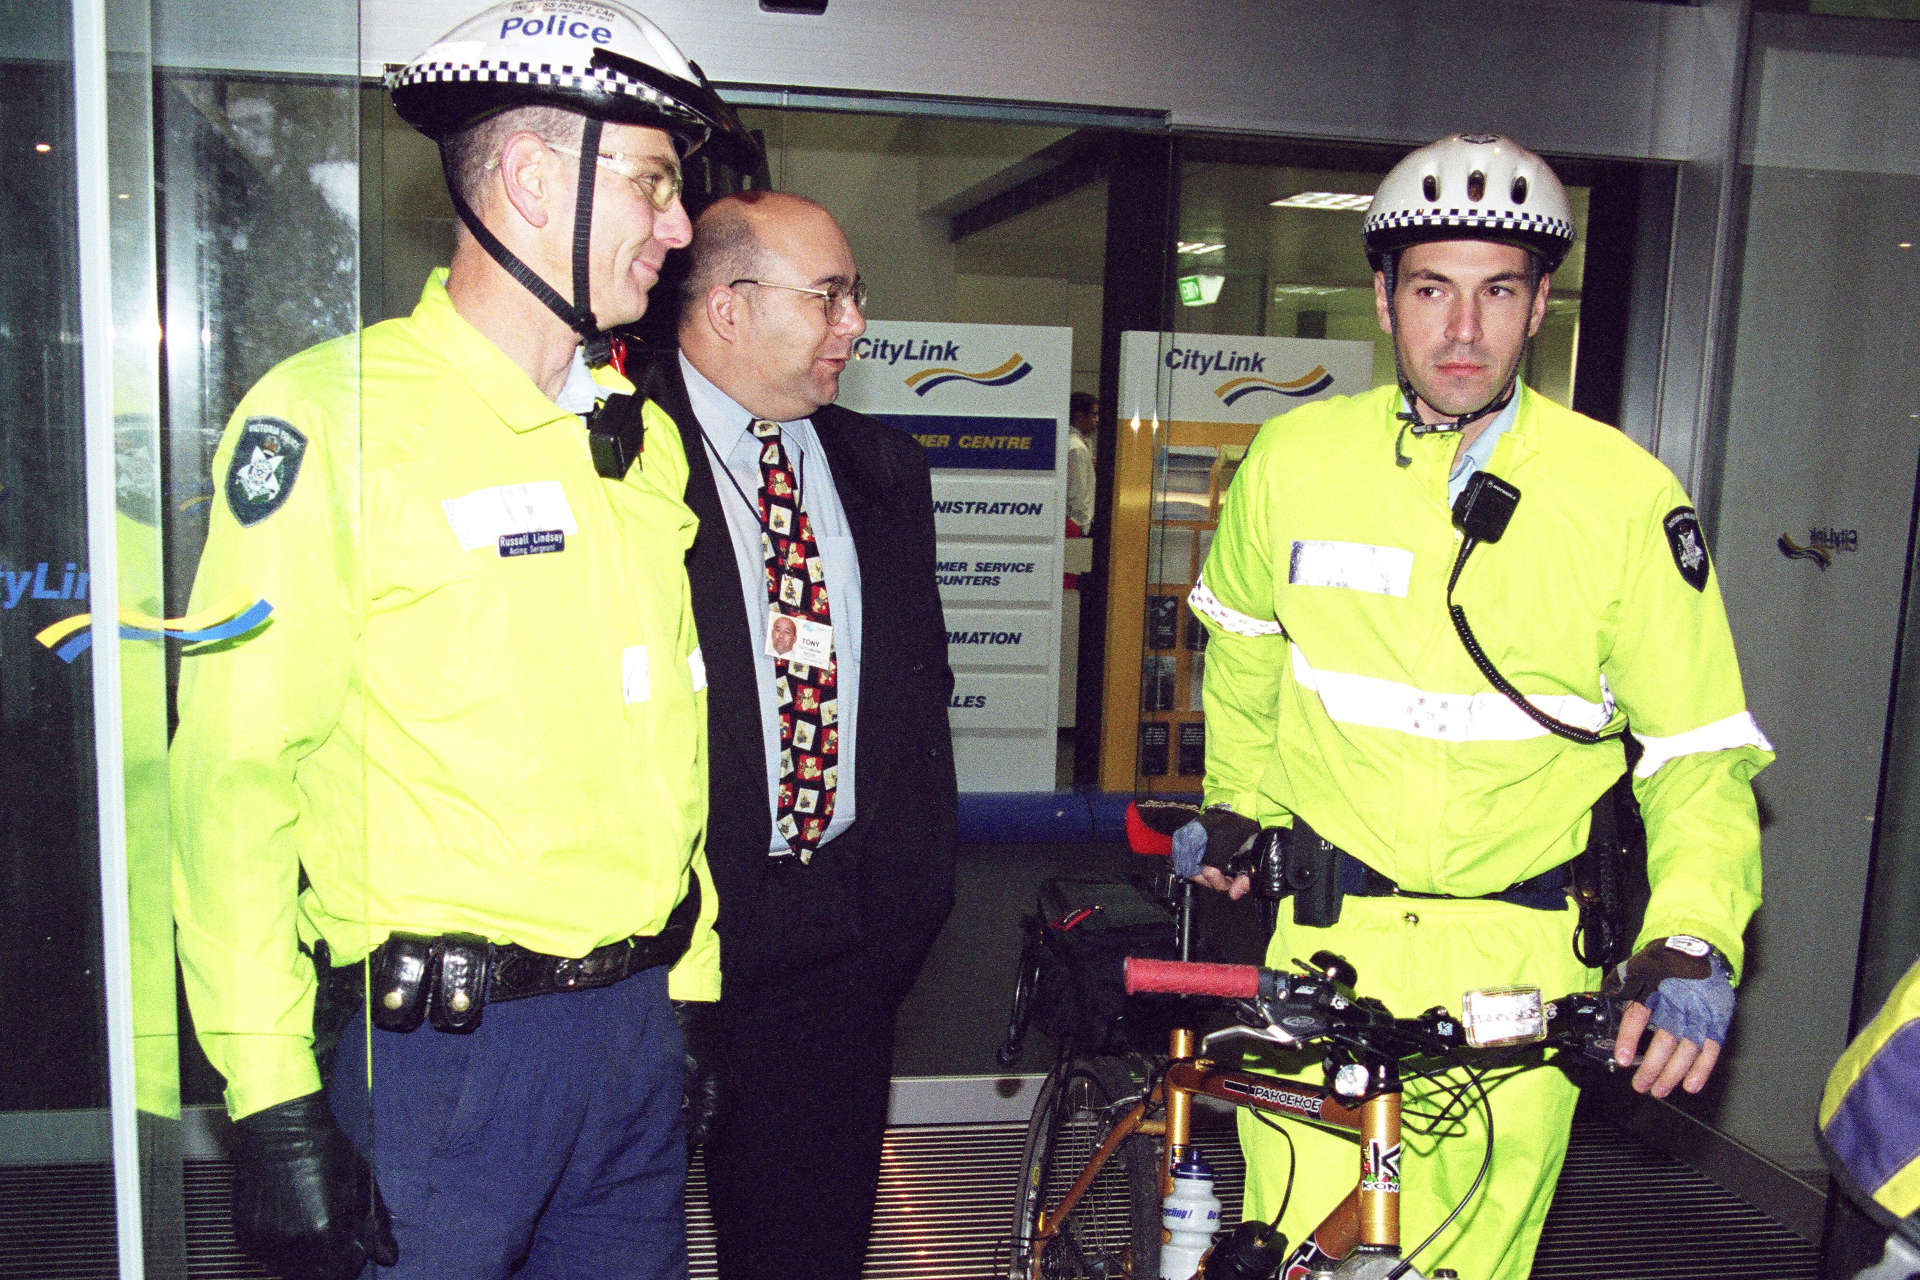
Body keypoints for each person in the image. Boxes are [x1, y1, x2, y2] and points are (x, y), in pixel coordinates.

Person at [169, 5, 759, 1278]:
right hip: (445, 1055)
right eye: (656, 183)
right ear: (536, 180)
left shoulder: (636, 439)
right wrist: (269, 1095)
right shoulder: (333, 421)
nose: (678, 226)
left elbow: (672, 738)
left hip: (634, 1039)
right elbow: (230, 784)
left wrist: (692, 989)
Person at [1176, 134, 1772, 1280]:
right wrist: (1238, 803)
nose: (1463, 330)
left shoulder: (1624, 498)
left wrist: (1693, 930)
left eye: (1497, 290)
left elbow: (1698, 754)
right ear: (1385, 300)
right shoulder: (1295, 462)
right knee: (1301, 1253)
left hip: (1525, 971)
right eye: (1433, 290)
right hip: (1326, 948)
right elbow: (1243, 648)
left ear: (1541, 302)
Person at [640, 189, 958, 1280]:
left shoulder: (884, 468)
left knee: (807, 1251)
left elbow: (921, 700)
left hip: (839, 943)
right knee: (614, 1238)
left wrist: (903, 908)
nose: (854, 324)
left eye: (854, 294)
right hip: (664, 941)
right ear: (727, 306)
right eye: (828, 296)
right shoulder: (614, 453)